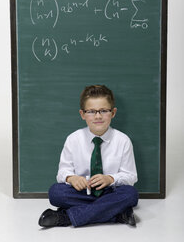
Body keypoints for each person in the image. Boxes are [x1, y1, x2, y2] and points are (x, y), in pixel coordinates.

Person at [38, 85, 138, 228]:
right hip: (82, 192)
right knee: (56, 192)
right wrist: (71, 178)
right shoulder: (73, 139)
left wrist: (110, 179)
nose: (98, 116)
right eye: (91, 111)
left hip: (110, 191)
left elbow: (131, 176)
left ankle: (66, 218)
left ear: (113, 112)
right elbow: (62, 173)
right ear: (82, 114)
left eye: (104, 111)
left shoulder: (123, 140)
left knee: (130, 194)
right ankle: (117, 214)